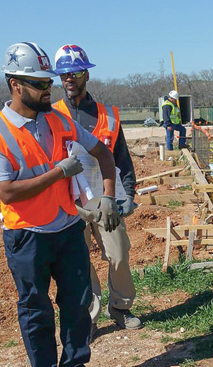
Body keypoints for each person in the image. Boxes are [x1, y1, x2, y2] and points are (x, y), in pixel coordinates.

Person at [0, 42, 120, 367]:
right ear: (16, 85)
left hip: (68, 230)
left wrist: (109, 195)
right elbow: (7, 193)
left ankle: (75, 362)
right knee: (36, 310)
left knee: (77, 304)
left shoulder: (58, 119)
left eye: (49, 82)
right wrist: (59, 173)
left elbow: (104, 153)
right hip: (27, 237)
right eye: (41, 84)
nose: (49, 89)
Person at [52, 44, 142, 335]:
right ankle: (88, 318)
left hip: (106, 200)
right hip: (70, 204)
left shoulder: (108, 116)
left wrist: (127, 194)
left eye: (75, 73)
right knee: (80, 264)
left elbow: (122, 159)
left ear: (86, 76)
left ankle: (120, 307)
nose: (69, 79)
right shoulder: (52, 116)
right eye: (64, 74)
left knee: (118, 254)